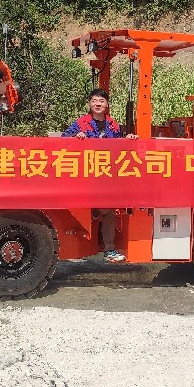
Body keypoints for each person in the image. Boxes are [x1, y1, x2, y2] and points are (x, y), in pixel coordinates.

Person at [62, 88, 138, 263]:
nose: (98, 104)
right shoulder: (81, 123)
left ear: (107, 104)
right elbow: (64, 139)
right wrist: (75, 137)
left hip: (105, 177)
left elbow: (120, 143)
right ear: (89, 103)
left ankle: (109, 250)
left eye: (101, 101)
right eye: (94, 101)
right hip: (84, 177)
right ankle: (76, 248)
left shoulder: (113, 124)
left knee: (108, 212)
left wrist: (129, 139)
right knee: (81, 212)